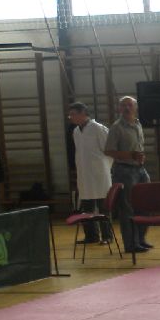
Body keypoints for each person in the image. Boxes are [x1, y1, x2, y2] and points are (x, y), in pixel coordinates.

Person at [104, 96, 152, 253]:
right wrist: (131, 155)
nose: (127, 108)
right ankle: (131, 244)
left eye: (130, 105)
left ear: (135, 107)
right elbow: (109, 151)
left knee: (145, 204)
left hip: (140, 169)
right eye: (123, 105)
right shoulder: (116, 127)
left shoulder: (138, 124)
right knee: (128, 208)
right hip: (124, 170)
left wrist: (139, 157)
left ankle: (141, 239)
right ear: (119, 108)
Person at [67, 102, 114, 244]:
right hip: (84, 174)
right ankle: (91, 236)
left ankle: (107, 236)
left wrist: (104, 167)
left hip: (100, 174)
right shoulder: (76, 131)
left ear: (83, 113)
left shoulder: (98, 128)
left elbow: (109, 150)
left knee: (103, 207)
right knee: (86, 207)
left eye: (73, 114)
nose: (70, 117)